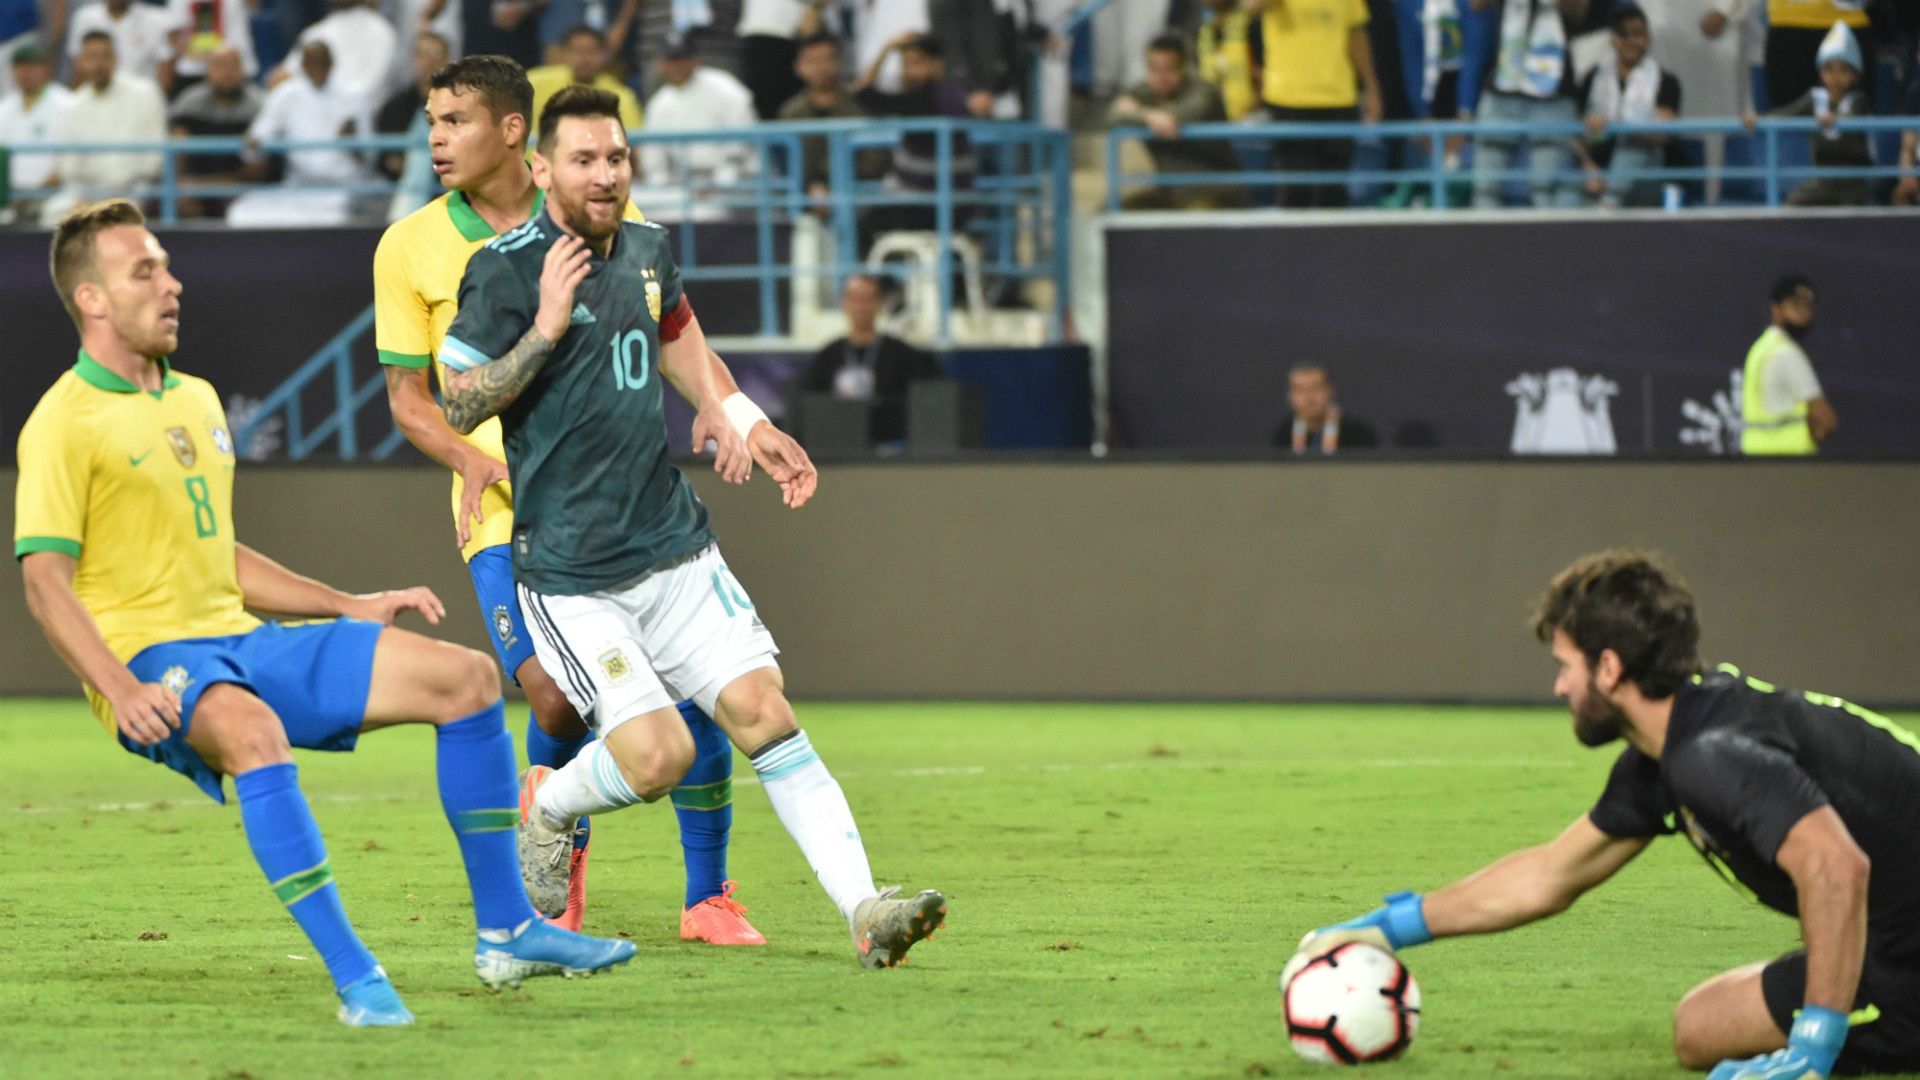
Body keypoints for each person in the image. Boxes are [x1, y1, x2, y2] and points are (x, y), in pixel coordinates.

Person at [16, 198, 636, 1026]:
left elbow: (218, 555)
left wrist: (348, 604)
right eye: (146, 271)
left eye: (165, 264)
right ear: (91, 298)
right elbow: (44, 582)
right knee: (255, 737)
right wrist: (118, 690)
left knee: (468, 680)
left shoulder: (195, 398)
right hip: (147, 660)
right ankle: (358, 979)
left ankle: (509, 929)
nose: (173, 283)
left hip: (238, 640)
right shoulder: (63, 420)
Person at [436, 85, 948, 969]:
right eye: (586, 159)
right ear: (541, 168)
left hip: (671, 545)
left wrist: (741, 417)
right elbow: (459, 396)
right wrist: (547, 327)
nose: (606, 174)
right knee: (658, 756)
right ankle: (551, 805)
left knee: (763, 708)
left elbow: (679, 342)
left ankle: (865, 908)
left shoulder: (646, 247)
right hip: (569, 570)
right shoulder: (505, 270)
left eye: (618, 157)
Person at [374, 56, 763, 946]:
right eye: (430, 120)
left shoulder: (615, 223)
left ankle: (709, 895)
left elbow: (686, 346)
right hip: (506, 516)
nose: (434, 138)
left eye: (453, 120)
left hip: (623, 510)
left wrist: (732, 413)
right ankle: (558, 865)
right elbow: (409, 399)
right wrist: (466, 461)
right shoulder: (409, 246)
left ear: (516, 133)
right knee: (552, 701)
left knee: (688, 693)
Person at [1285, 550, 1920, 1079]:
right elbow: (1547, 876)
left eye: (1566, 665)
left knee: (1737, 1029)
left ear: (1609, 668)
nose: (1560, 687)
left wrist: (1812, 1044)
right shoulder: (1668, 754)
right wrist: (1387, 929)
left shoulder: (1712, 754)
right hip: (1895, 932)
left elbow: (1837, 866)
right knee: (1700, 1028)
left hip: (1906, 948)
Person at [1246, 0, 1384, 209]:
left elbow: (1355, 32)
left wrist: (1371, 86)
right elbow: (1250, 8)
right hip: (1288, 101)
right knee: (1295, 192)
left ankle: (1333, 243)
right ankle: (1291, 243)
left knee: (1334, 193)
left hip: (1339, 99)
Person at [230, 41, 372, 226]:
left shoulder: (355, 94)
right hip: (298, 185)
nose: (317, 69)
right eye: (311, 63)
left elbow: (370, 157)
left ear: (331, 63)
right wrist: (255, 144)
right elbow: (256, 141)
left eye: (322, 63)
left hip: (343, 186)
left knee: (332, 220)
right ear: (303, 66)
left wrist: (352, 143)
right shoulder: (286, 94)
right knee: (241, 214)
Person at [1470, 0, 1590, 208]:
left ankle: (1548, 241)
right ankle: (1486, 240)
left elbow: (1581, 11)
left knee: (1545, 190)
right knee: (1485, 188)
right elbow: (1476, 5)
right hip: (1503, 90)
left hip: (1553, 93)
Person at [40, 31, 167, 227]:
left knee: (118, 216)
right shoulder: (74, 105)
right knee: (54, 212)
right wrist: (84, 197)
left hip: (133, 191)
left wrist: (113, 195)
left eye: (104, 56)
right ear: (81, 62)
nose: (99, 64)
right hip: (85, 193)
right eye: (91, 57)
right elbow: (68, 163)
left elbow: (155, 156)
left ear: (115, 59)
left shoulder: (144, 93)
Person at [797, 274, 941, 445]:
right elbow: (813, 403)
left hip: (888, 445)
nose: (862, 307)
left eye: (868, 299)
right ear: (845, 303)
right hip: (837, 445)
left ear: (880, 303)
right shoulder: (828, 355)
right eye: (855, 299)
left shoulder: (901, 354)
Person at [1108, 33, 1249, 210]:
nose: (1161, 77)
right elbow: (1114, 115)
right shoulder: (1144, 92)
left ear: (1184, 68)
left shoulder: (1203, 92)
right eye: (1154, 69)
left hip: (1217, 190)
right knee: (1122, 209)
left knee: (1197, 215)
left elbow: (1172, 120)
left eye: (1169, 69)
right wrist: (1149, 116)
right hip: (1170, 191)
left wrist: (1139, 113)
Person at [1644, 0, 1753, 204]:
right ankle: (1664, 194)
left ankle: (1713, 200)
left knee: (1714, 127)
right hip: (1665, 47)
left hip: (1715, 52)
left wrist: (1724, 11)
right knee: (1663, 124)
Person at [1574, 4, 1681, 208]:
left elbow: (1664, 132)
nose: (1632, 41)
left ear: (1648, 37)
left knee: (1636, 148)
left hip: (1646, 177)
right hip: (1599, 170)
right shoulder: (1593, 78)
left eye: (1638, 34)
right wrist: (1587, 165)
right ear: (1613, 40)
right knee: (1567, 194)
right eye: (1624, 34)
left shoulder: (1666, 81)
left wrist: (1616, 125)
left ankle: (1607, 205)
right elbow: (1575, 131)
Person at [1759, 22, 1872, 207]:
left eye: (1843, 70)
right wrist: (1759, 120)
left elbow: (1851, 117)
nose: (1836, 76)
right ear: (1821, 72)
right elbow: (1787, 113)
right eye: (1829, 69)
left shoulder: (1858, 100)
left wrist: (1837, 120)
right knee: (1790, 208)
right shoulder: (1814, 99)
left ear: (1854, 75)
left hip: (1854, 182)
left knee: (1852, 223)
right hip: (1823, 179)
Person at [775, 32, 885, 200]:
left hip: (857, 195)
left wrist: (836, 187)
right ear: (798, 66)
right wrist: (810, 190)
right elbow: (784, 164)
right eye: (812, 60)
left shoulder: (862, 106)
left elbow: (875, 161)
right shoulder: (790, 113)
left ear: (840, 62)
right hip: (804, 198)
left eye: (828, 59)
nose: (821, 67)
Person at [639, 35, 758, 188]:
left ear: (696, 60)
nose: (676, 66)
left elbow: (739, 149)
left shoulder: (726, 88)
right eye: (671, 60)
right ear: (660, 64)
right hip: (685, 182)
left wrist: (715, 184)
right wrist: (662, 181)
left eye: (682, 59)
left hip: (739, 176)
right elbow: (653, 159)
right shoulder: (659, 103)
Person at [1739, 274, 1836, 456]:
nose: (1803, 312)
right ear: (1776, 309)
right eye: (1795, 304)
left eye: (1807, 306)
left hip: (1755, 456)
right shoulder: (1787, 353)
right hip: (1789, 460)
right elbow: (1826, 418)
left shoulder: (1761, 348)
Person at [166, 44, 260, 218]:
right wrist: (179, 186)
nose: (227, 73)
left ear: (243, 71)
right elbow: (175, 149)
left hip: (238, 185)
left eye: (233, 66)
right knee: (167, 203)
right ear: (208, 71)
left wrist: (209, 184)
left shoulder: (257, 105)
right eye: (220, 66)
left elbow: (257, 168)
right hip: (193, 184)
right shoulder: (189, 102)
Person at [272, 0, 397, 110]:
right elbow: (281, 79)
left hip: (360, 120)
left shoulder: (380, 31)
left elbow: (371, 90)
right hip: (310, 119)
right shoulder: (315, 33)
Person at [0, 42, 71, 221]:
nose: (26, 73)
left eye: (32, 67)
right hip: (11, 196)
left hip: (54, 194)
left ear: (47, 69)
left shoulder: (67, 104)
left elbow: (69, 159)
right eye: (20, 67)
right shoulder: (4, 109)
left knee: (56, 212)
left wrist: (34, 194)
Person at [527, 24, 642, 135]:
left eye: (591, 51)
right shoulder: (536, 82)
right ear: (564, 53)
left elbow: (633, 141)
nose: (584, 58)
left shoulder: (621, 96)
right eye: (577, 51)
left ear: (604, 55)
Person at [66, 0, 175, 90]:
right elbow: (79, 70)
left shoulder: (158, 22)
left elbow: (165, 76)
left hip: (138, 101)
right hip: (96, 99)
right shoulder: (85, 17)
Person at [1272, 363, 1378, 453]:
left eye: (1315, 388)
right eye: (1300, 390)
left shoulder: (1357, 434)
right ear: (1290, 396)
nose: (1308, 397)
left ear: (1331, 391)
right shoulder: (1283, 436)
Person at [737, 0, 817, 119]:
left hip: (792, 32)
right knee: (760, 107)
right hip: (758, 32)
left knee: (792, 107)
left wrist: (816, 8)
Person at [163, 0, 259, 95]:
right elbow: (173, 37)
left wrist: (224, 63)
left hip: (238, 71)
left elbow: (253, 4)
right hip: (193, 72)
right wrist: (203, 57)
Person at [1197, 0, 1260, 121]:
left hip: (1253, 119)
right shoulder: (1205, 32)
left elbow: (1264, 72)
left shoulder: (1252, 23)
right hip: (1216, 119)